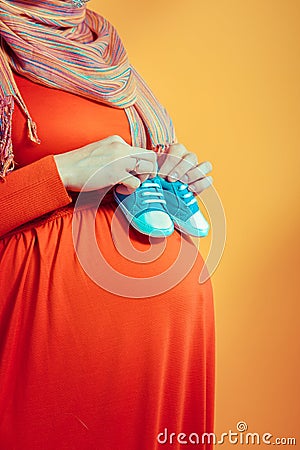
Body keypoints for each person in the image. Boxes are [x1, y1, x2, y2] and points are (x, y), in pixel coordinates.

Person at [0, 1, 215, 449]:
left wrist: (164, 168)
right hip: (51, 343)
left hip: (162, 343)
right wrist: (60, 172)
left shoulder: (102, 48)